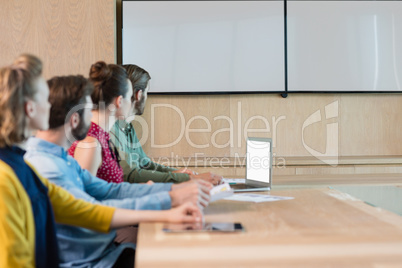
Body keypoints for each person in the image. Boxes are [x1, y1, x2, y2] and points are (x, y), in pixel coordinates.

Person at [0, 54, 202, 267]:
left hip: (103, 253)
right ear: (30, 109)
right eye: (45, 99)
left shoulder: (32, 164)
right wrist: (169, 199)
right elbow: (90, 210)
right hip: (91, 260)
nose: (51, 106)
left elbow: (99, 199)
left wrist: (171, 194)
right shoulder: (27, 169)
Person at [110, 64, 223, 185]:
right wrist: (187, 179)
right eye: (147, 92)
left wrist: (178, 173)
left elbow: (145, 164)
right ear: (139, 95)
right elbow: (130, 174)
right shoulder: (111, 127)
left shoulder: (127, 126)